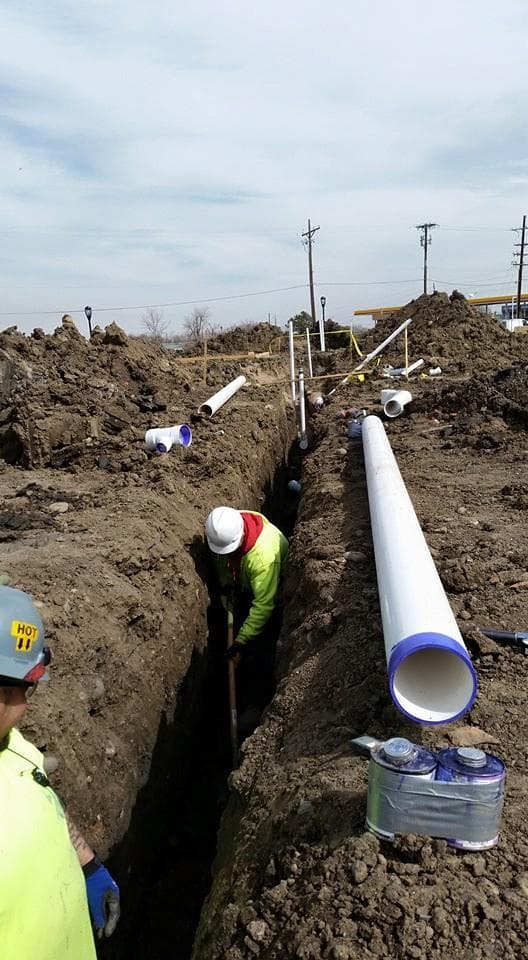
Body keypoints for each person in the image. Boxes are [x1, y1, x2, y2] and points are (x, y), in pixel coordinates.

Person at [0, 585, 120, 959]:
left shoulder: (16, 747)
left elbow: (42, 792)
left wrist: (88, 864)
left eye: (21, 689)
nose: (13, 706)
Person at [205, 507, 288, 667]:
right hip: (247, 579)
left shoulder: (264, 560)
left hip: (274, 586)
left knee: (264, 637)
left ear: (241, 536)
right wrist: (226, 583)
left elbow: (264, 605)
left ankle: (255, 663)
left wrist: (241, 642)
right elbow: (223, 559)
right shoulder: (227, 527)